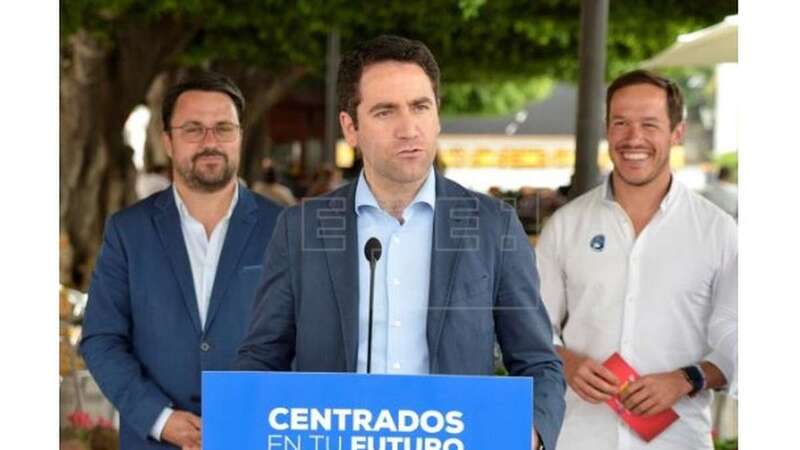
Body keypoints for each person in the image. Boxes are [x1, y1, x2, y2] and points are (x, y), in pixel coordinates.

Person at [235, 35, 565, 450]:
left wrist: (532, 433)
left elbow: (537, 361)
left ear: (438, 116)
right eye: (385, 111)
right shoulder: (301, 228)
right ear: (350, 128)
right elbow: (262, 358)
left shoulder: (492, 226)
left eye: (420, 107)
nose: (409, 128)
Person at [80, 72, 283, 449]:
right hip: (155, 440)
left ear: (240, 136)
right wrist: (159, 418)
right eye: (194, 129)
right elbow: (101, 339)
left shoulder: (284, 228)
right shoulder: (128, 231)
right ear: (168, 142)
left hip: (255, 436)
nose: (210, 142)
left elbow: (303, 337)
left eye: (223, 128)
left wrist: (259, 413)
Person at [537, 70, 737, 450]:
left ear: (677, 132)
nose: (633, 139)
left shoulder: (718, 232)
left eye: (650, 124)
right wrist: (566, 362)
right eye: (621, 123)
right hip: (579, 436)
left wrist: (687, 378)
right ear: (607, 129)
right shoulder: (565, 225)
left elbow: (743, 342)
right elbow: (531, 327)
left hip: (678, 440)